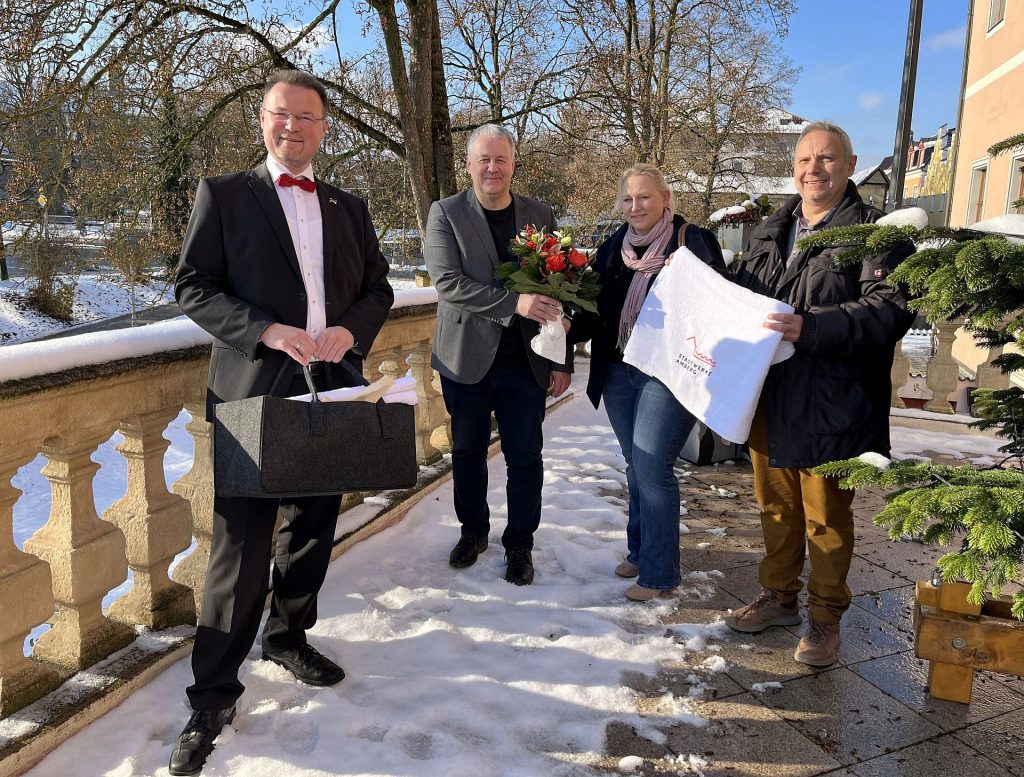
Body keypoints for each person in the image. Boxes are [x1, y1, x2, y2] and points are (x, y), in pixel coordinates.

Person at [170, 69, 393, 775]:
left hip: (333, 386)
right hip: (250, 393)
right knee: (239, 550)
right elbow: (191, 285)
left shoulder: (350, 207)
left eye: (306, 117)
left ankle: (289, 636)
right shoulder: (225, 195)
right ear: (261, 122)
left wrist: (349, 333)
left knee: (314, 527)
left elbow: (379, 286)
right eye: (279, 114)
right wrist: (265, 329)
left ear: (325, 130)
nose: (292, 126)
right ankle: (210, 697)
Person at [726, 121, 914, 666]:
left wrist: (812, 327)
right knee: (775, 506)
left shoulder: (877, 235)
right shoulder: (768, 230)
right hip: (770, 394)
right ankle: (779, 597)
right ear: (794, 168)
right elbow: (742, 296)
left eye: (827, 159)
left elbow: (888, 311)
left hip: (835, 403)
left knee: (826, 517)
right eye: (806, 159)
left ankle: (825, 619)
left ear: (851, 165)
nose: (815, 169)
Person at [569, 164, 726, 601]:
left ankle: (659, 573)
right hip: (618, 369)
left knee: (653, 466)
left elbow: (715, 303)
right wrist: (568, 326)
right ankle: (639, 552)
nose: (635, 206)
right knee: (635, 463)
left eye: (644, 197)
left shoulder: (692, 242)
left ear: (665, 199)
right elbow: (594, 310)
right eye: (628, 199)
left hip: (667, 373)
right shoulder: (613, 247)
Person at [423, 124, 571, 586]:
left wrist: (562, 359)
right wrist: (515, 303)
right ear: (470, 165)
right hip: (465, 359)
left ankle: (520, 544)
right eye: (484, 159)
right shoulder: (445, 213)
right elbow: (448, 283)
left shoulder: (540, 214)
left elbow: (558, 290)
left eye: (501, 159)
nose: (493, 167)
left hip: (525, 363)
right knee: (467, 452)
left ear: (513, 164)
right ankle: (473, 532)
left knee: (525, 456)